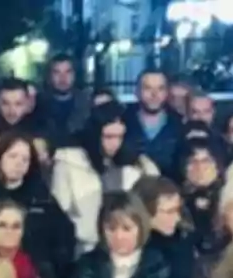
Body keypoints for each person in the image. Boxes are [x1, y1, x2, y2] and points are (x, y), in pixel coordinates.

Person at [52, 102, 158, 255]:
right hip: (84, 249)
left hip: (128, 249)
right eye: (108, 137)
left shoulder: (136, 165)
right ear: (95, 135)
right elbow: (60, 213)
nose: (115, 143)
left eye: (120, 137)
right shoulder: (68, 163)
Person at [0, 131, 76, 278]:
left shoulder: (43, 198)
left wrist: (49, 270)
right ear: (0, 157)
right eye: (13, 156)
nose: (19, 163)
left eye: (25, 159)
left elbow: (65, 235)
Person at [123, 70, 183, 176]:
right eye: (147, 88)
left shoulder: (180, 125)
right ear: (137, 92)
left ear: (167, 93)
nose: (154, 94)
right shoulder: (122, 123)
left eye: (160, 88)